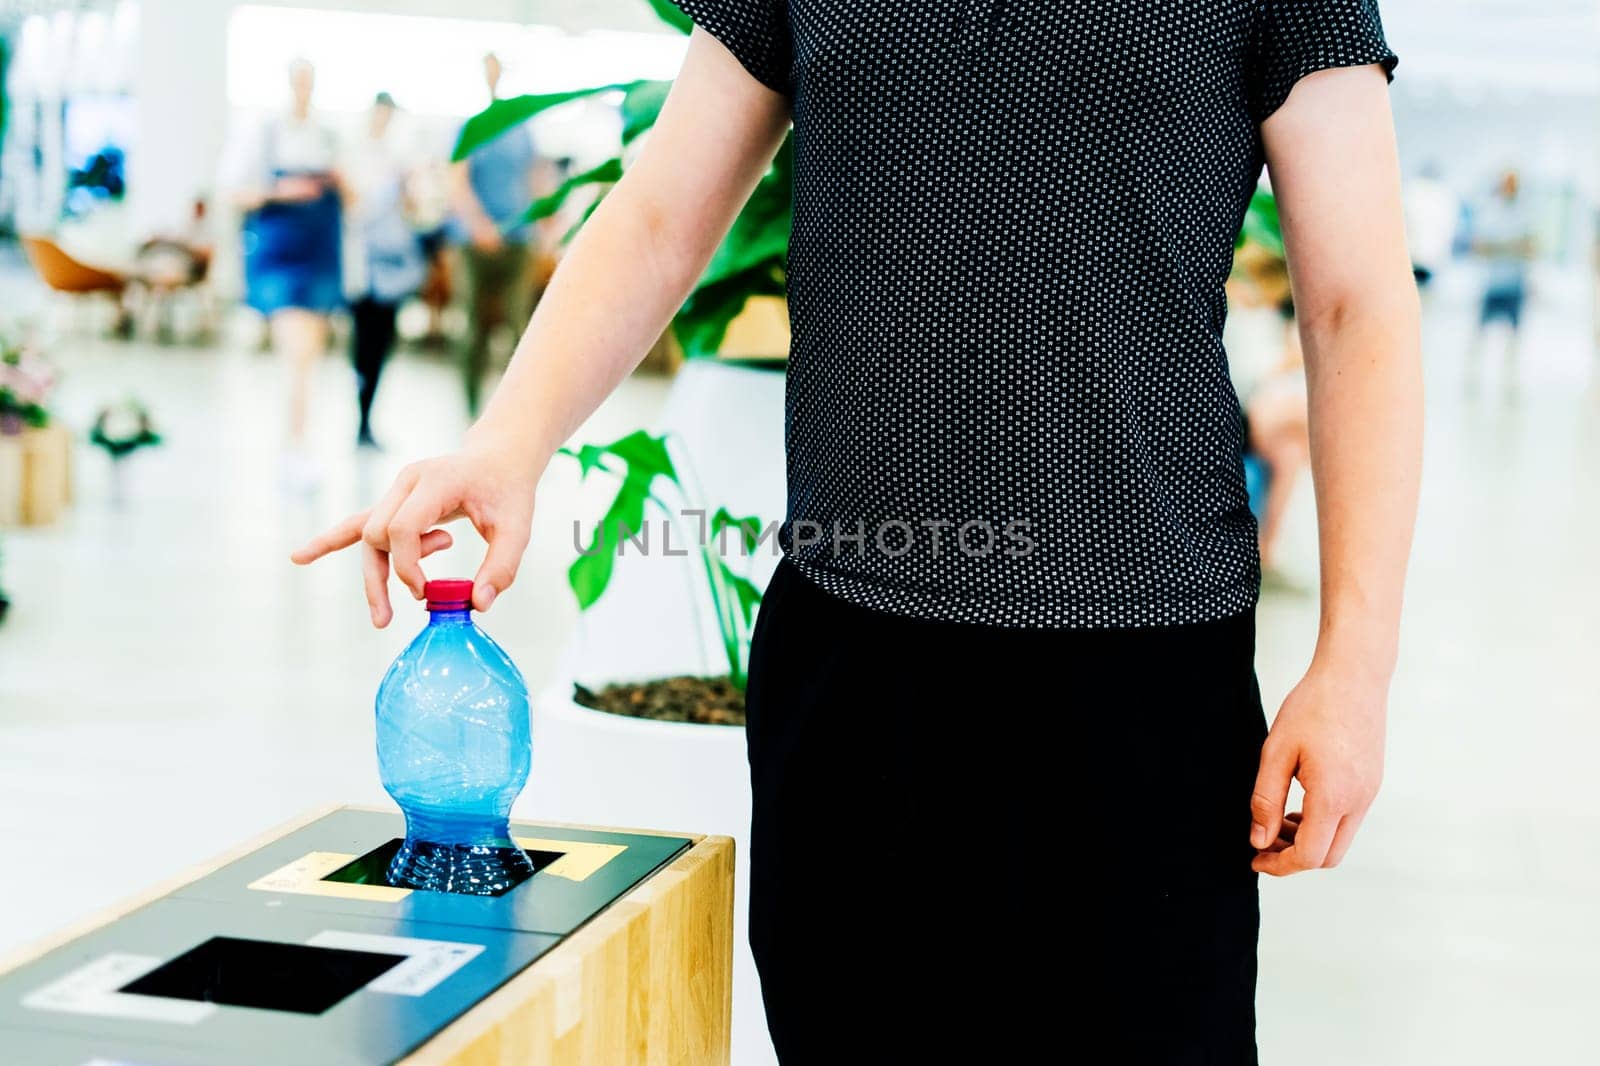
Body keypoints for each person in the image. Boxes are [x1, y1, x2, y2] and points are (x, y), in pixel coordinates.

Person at [294, 3, 1423, 1062]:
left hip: (1141, 674)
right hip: (853, 669)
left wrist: (1354, 669)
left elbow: (1355, 297)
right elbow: (654, 216)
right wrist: (507, 443)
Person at [227, 58, 344, 489]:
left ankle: (297, 443)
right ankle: (296, 446)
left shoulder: (328, 138)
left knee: (307, 358)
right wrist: (282, 192)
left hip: (319, 255)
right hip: (278, 255)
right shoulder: (262, 133)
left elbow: (356, 199)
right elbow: (234, 191)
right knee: (296, 356)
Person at [451, 52, 539, 417]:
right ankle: (471, 407)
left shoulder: (522, 127)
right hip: (475, 242)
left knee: (519, 325)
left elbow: (534, 178)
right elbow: (458, 181)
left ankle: (512, 411)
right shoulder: (472, 127)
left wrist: (545, 225)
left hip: (518, 238)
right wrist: (479, 226)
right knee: (474, 328)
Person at [343, 92, 427, 449]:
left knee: (380, 344)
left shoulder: (399, 160)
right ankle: (360, 415)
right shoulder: (352, 155)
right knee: (362, 342)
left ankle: (367, 419)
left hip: (390, 270)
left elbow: (412, 209)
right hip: (361, 267)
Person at [1470, 168, 1536, 375]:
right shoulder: (1490, 212)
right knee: (1480, 334)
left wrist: (1499, 247)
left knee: (1514, 336)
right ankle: (1473, 375)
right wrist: (1511, 247)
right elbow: (1479, 247)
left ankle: (1510, 377)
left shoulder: (1525, 213)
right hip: (1492, 283)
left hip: (1516, 284)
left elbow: (1531, 247)